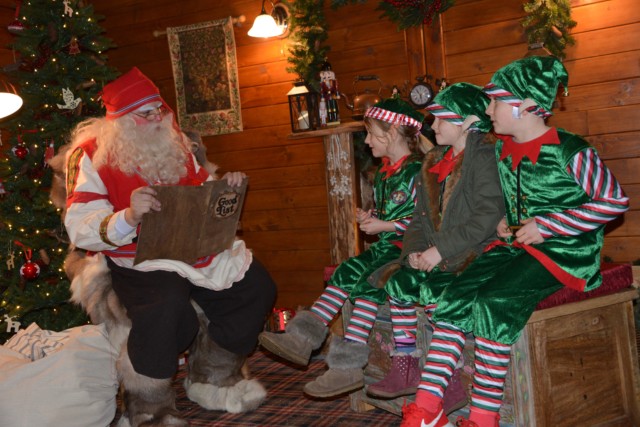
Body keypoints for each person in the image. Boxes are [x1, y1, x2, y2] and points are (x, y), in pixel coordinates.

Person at [400, 56, 630, 427]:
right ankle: (427, 408)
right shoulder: (502, 151)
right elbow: (508, 204)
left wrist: (550, 225)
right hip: (517, 247)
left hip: (566, 253)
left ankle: (483, 418)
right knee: (455, 296)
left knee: (493, 303)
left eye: (494, 100)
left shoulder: (570, 149)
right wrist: (508, 222)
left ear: (524, 105)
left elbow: (614, 201)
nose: (488, 108)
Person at [63, 67, 277, 424]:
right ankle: (149, 405)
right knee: (164, 305)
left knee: (256, 288)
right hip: (135, 257)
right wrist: (128, 216)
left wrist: (226, 187)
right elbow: (78, 226)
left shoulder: (175, 141)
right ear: (121, 122)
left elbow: (204, 190)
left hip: (192, 248)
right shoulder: (90, 155)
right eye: (146, 114)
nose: (158, 119)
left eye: (160, 110)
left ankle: (212, 377)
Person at [259, 98, 429, 398]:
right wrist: (373, 217)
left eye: (370, 134)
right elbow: (392, 212)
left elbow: (425, 221)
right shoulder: (386, 172)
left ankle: (345, 368)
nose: (365, 141)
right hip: (387, 247)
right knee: (348, 268)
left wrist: (385, 227)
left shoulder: (417, 171)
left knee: (367, 286)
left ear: (389, 135)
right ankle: (302, 339)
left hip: (408, 250)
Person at [365, 83, 505, 416]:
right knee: (398, 280)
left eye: (442, 119)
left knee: (439, 291)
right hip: (440, 255)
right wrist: (413, 254)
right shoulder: (433, 158)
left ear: (469, 122)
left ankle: (451, 376)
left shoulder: (483, 154)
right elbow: (417, 220)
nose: (433, 126)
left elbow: (486, 218)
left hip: (475, 253)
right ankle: (406, 363)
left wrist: (437, 252)